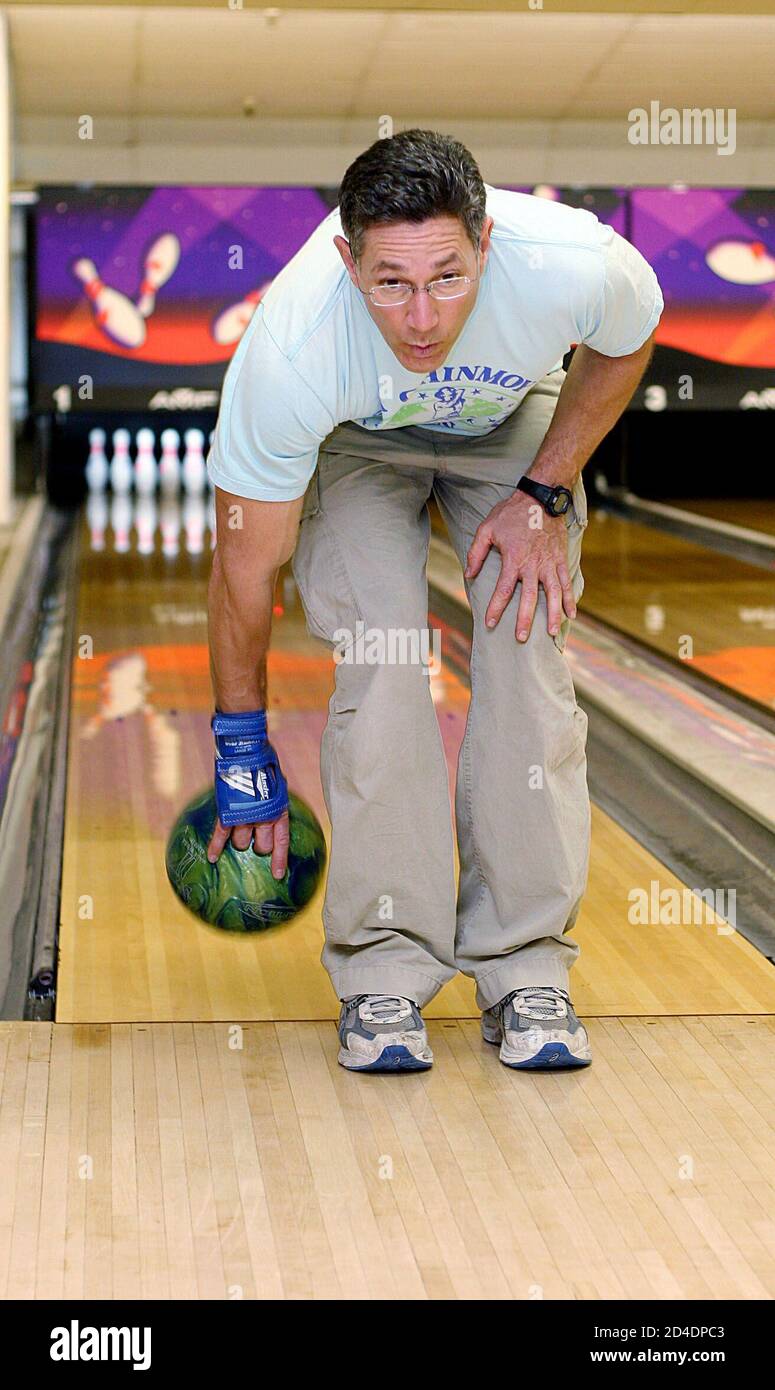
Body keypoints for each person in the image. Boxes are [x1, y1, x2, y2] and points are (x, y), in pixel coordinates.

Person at [206, 129, 663, 1074]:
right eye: (390, 284)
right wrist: (240, 746)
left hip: (510, 429)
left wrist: (544, 493)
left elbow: (625, 345)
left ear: (487, 244)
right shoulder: (292, 353)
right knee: (378, 664)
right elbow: (243, 573)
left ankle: (524, 961)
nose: (420, 317)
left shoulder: (572, 265)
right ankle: (384, 967)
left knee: (527, 653)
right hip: (359, 443)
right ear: (347, 259)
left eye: (447, 278)